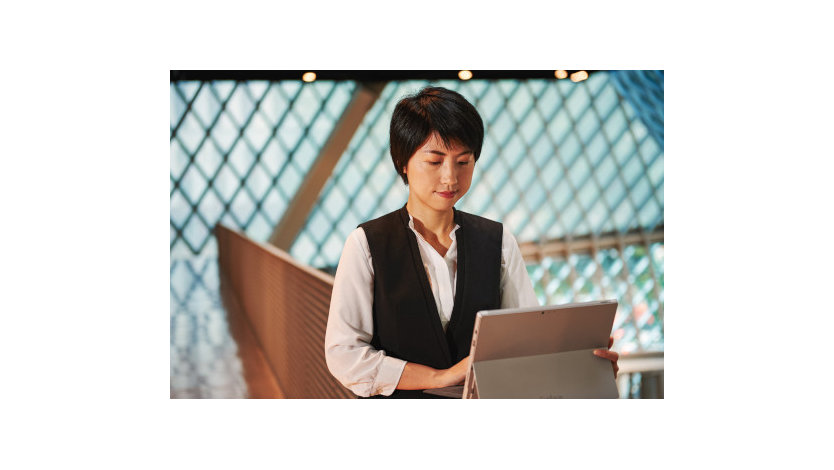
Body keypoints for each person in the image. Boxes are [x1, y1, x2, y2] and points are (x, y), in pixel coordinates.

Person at [324, 86, 618, 398]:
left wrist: (581, 366)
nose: (450, 177)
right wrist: (441, 377)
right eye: (435, 161)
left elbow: (526, 344)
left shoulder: (499, 241)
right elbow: (345, 355)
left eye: (463, 162)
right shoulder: (366, 244)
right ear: (403, 162)